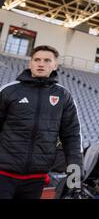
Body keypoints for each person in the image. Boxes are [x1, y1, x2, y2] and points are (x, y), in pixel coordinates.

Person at [0, 45, 82, 199]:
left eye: (47, 60)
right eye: (36, 59)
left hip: (36, 179)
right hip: (3, 174)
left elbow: (72, 138)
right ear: (30, 63)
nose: (41, 64)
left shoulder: (63, 96)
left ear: (55, 65)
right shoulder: (9, 91)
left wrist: (75, 179)